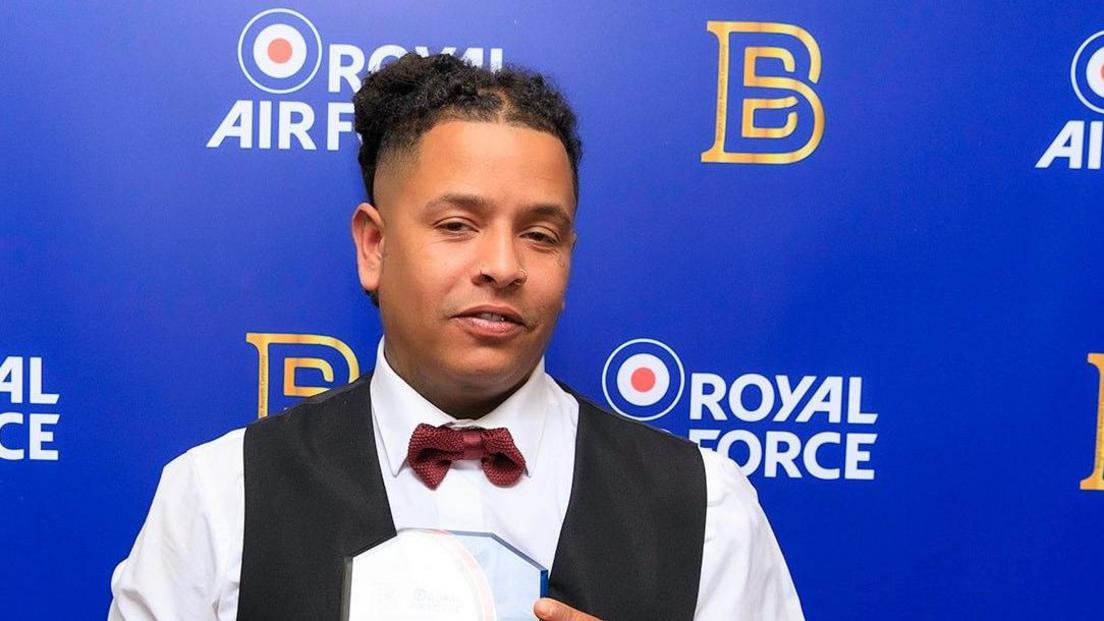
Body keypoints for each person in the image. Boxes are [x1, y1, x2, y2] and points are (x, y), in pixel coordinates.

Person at [108, 53, 804, 621]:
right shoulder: (218, 496)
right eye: (457, 225)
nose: (502, 265)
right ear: (374, 246)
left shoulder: (706, 507)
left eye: (540, 234)